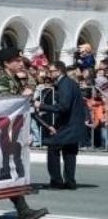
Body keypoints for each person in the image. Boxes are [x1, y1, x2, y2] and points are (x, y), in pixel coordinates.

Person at [0, 47, 51, 219]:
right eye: (17, 61)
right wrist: (22, 95)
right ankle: (19, 210)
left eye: (21, 61)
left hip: (11, 132)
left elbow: (32, 85)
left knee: (2, 172)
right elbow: (6, 104)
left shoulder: (16, 78)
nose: (21, 63)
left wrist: (27, 79)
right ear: (6, 63)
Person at [40, 60, 88, 191]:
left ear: (59, 71)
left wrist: (42, 106)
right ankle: (70, 181)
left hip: (69, 125)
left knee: (53, 147)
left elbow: (63, 106)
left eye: (51, 71)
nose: (49, 74)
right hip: (73, 124)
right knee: (69, 152)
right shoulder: (69, 82)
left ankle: (56, 181)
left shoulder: (64, 84)